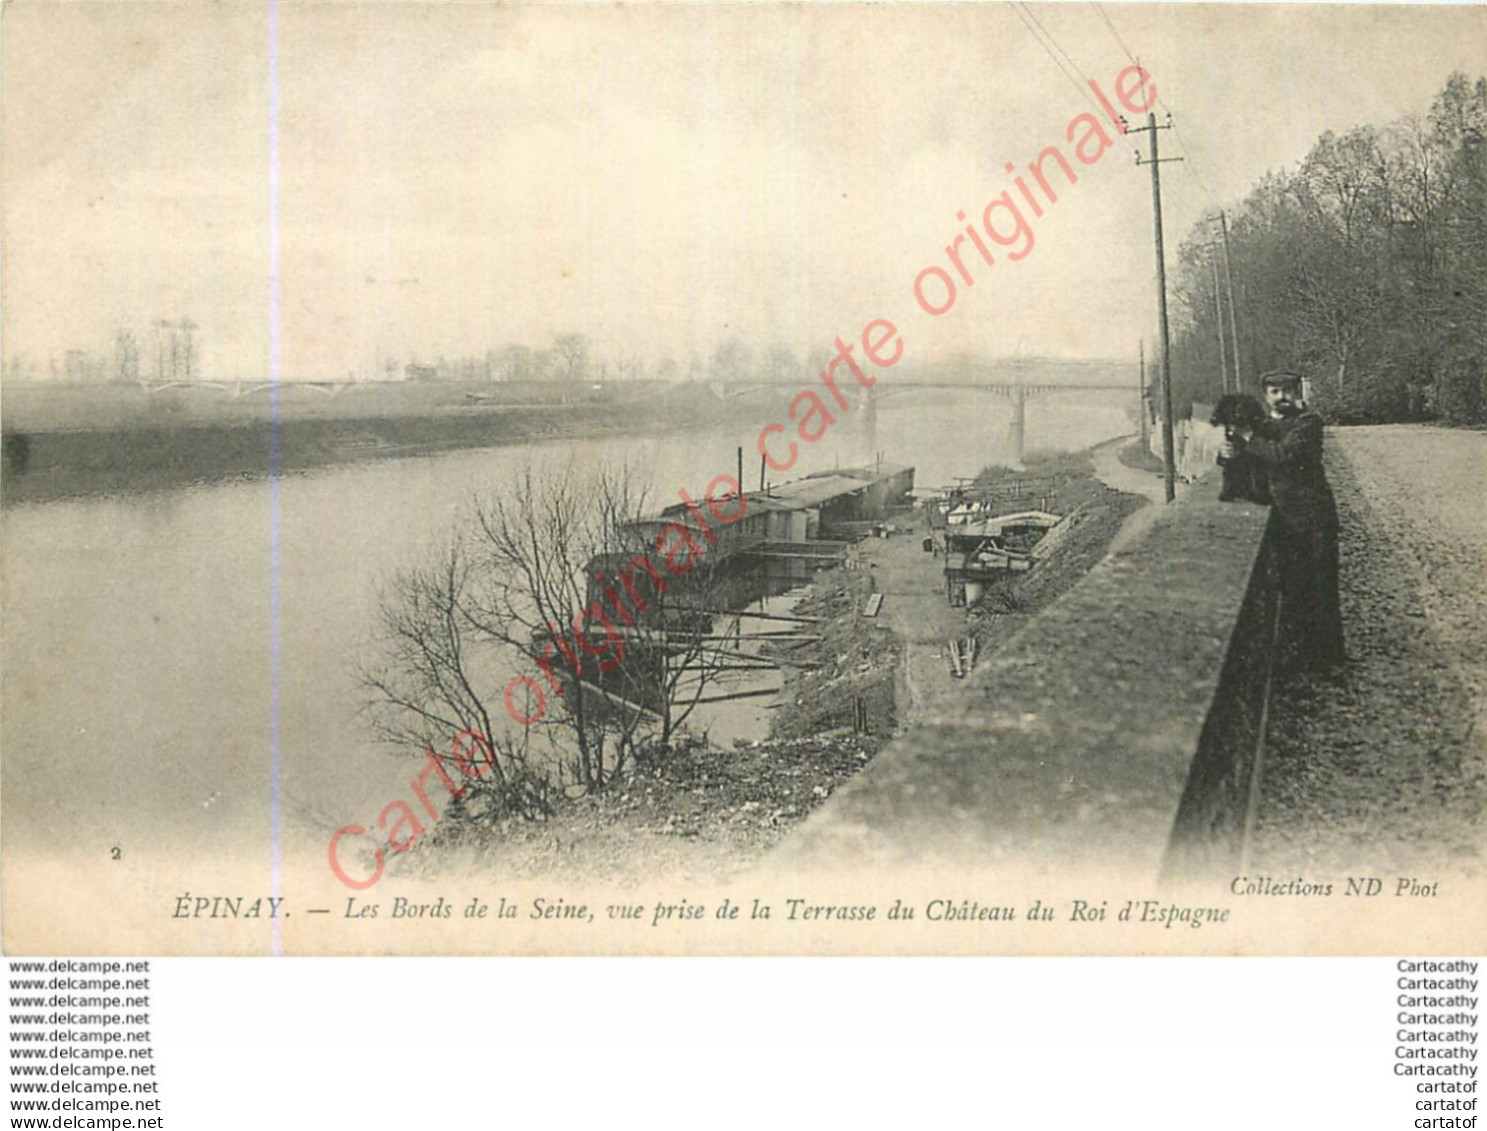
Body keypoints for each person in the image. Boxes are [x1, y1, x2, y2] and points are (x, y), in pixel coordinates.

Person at [1219, 370, 1345, 676]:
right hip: (1283, 521)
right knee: (1293, 590)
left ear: (1297, 391)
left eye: (1286, 390)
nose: (1281, 397)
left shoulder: (1308, 423)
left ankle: (1331, 661)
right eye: (1274, 392)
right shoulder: (1266, 426)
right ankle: (1302, 658)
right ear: (1265, 396)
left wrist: (1248, 437)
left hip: (1313, 519)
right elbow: (1251, 468)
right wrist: (1227, 455)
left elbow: (1285, 455)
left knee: (1321, 589)